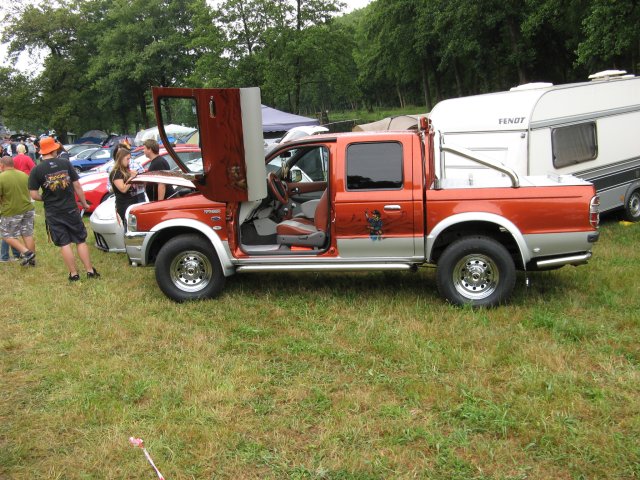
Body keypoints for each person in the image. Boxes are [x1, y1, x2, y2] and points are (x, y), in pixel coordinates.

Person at [28, 136, 100, 281]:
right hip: (71, 209)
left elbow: (34, 194)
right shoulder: (65, 163)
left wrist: (46, 198)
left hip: (53, 211)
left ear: (42, 151)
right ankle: (90, 271)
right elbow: (77, 186)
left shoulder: (37, 170)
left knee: (64, 243)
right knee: (80, 240)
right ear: (53, 149)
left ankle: (74, 274)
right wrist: (85, 203)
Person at [0, 156, 36, 266]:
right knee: (27, 234)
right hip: (28, 208)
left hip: (11, 210)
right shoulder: (24, 175)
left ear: (2, 165)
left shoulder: (1, 177)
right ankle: (32, 261)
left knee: (6, 235)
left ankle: (27, 253)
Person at [109, 146, 144, 230]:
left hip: (133, 201)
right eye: (127, 159)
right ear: (121, 159)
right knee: (128, 227)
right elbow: (123, 189)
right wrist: (131, 178)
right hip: (124, 204)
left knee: (134, 227)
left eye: (129, 159)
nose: (129, 161)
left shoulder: (125, 171)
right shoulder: (116, 173)